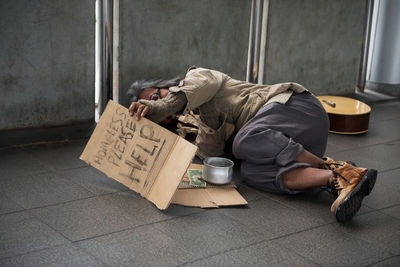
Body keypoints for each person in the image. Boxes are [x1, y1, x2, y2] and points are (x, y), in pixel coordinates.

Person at [128, 66, 377, 223]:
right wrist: (206, 116)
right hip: (300, 147)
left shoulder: (196, 75)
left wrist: (161, 107)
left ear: (165, 87)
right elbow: (212, 154)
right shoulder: (186, 134)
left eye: (153, 96)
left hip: (298, 110)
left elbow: (201, 84)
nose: (153, 105)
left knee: (242, 142)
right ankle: (337, 177)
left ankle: (330, 164)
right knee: (251, 172)